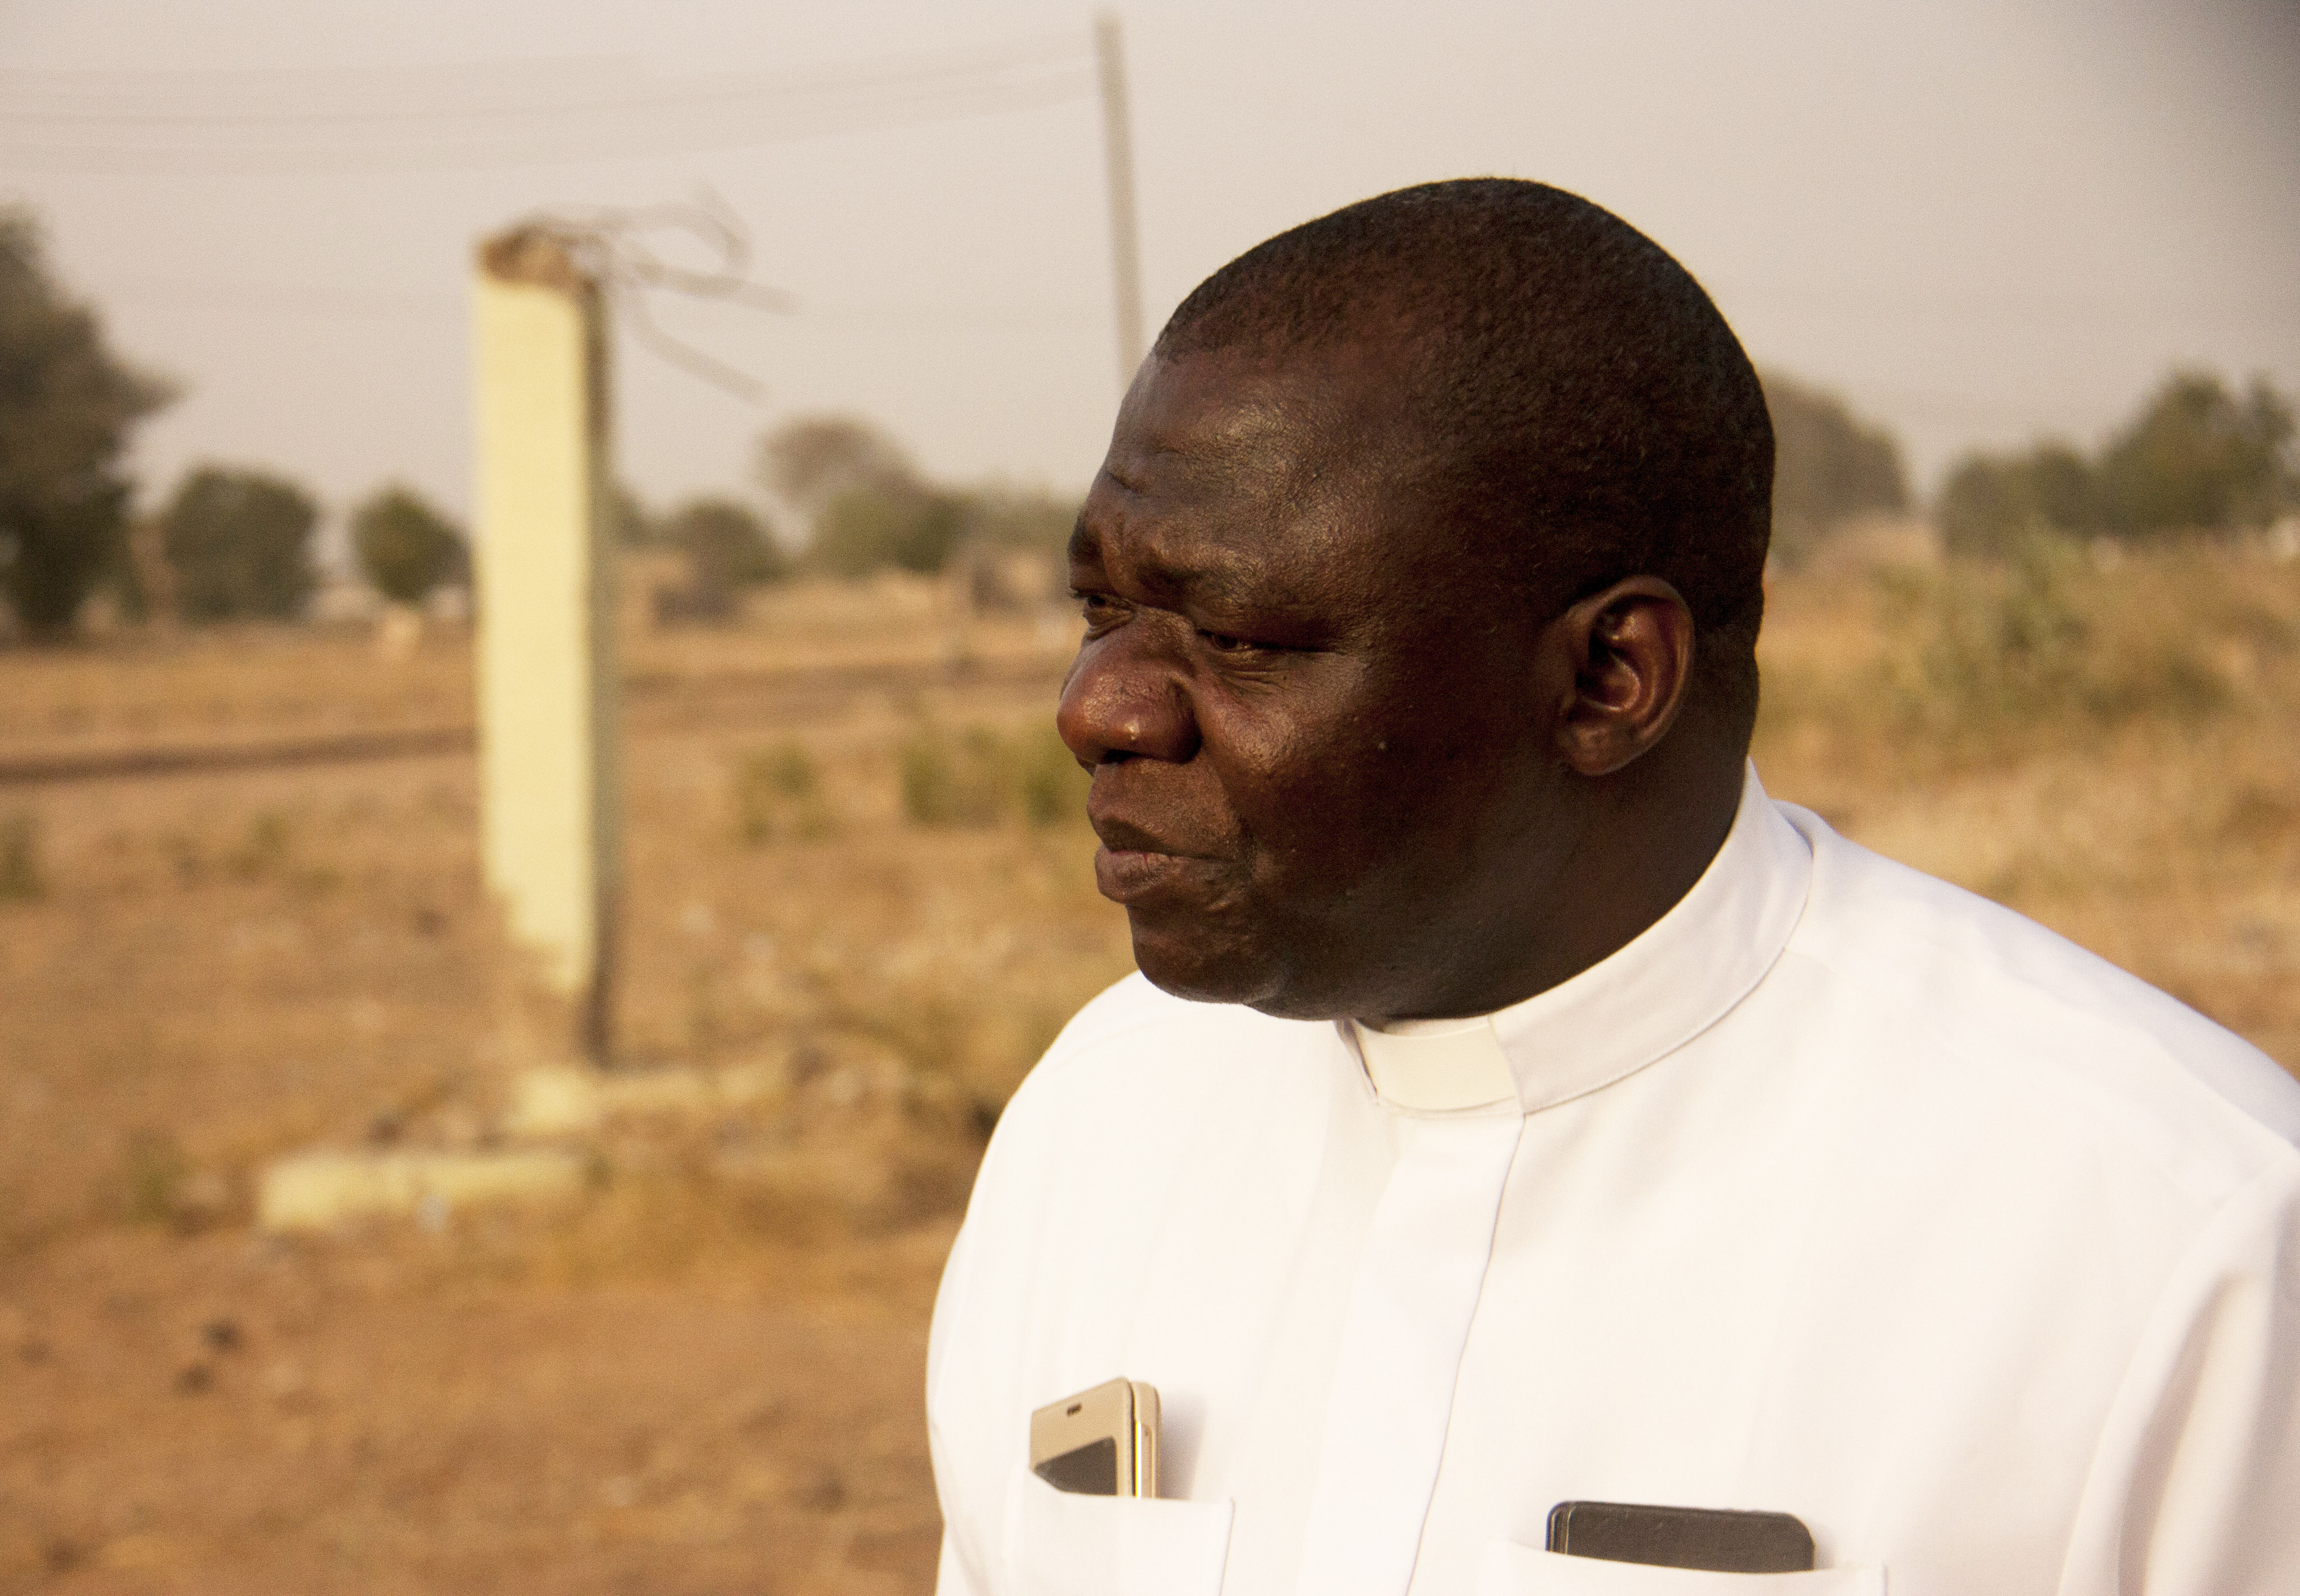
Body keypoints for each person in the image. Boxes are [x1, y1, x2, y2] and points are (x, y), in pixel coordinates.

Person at [924, 179, 2300, 1596]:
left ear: (1607, 680)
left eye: (1235, 634)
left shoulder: (2174, 1243)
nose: (1100, 708)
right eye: (1101, 611)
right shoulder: (1098, 1127)